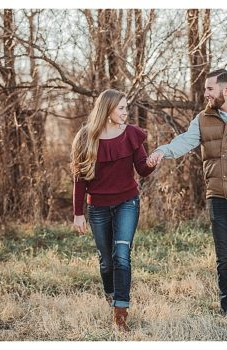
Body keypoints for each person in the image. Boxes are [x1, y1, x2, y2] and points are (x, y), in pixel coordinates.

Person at [146, 69, 227, 323]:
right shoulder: (203, 119)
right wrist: (163, 150)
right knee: (225, 255)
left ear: (226, 90)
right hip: (217, 195)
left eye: (209, 89)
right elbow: (185, 141)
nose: (204, 93)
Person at [71, 88, 157, 332]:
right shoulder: (86, 137)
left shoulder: (130, 134)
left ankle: (120, 313)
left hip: (127, 203)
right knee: (107, 261)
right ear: (107, 110)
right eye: (121, 108)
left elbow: (141, 169)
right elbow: (80, 179)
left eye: (126, 107)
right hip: (97, 207)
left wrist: (151, 163)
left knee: (122, 254)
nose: (125, 112)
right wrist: (78, 213)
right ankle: (111, 294)